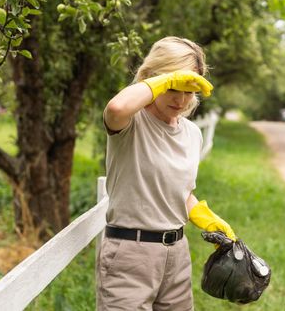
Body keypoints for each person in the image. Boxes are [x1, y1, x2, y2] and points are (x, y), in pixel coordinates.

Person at [100, 36, 237, 310]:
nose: (181, 99)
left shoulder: (191, 133)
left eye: (189, 90)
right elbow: (115, 108)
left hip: (176, 253)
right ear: (154, 78)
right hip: (130, 253)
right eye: (174, 87)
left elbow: (180, 192)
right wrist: (166, 77)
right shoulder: (131, 123)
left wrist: (206, 219)